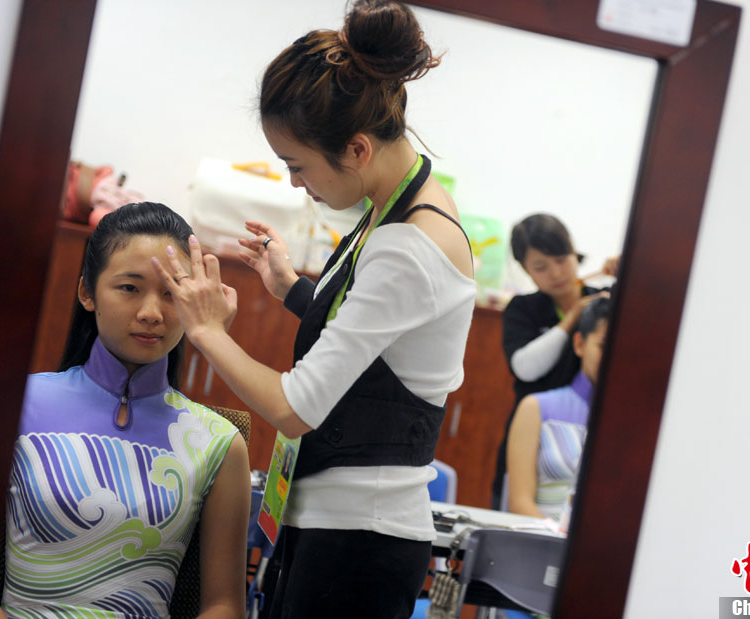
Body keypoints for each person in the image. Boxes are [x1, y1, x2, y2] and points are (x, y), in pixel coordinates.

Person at [150, 2, 476, 617]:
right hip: (342, 527)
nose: (297, 184)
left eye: (297, 166)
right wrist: (293, 290)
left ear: (356, 148)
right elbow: (379, 342)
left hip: (359, 539)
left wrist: (207, 331)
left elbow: (295, 408)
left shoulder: (408, 242)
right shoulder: (398, 208)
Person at [0, 202, 251, 618]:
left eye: (171, 293)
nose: (151, 313)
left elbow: (224, 605)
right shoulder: (13, 404)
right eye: (130, 288)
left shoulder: (219, 443)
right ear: (87, 293)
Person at [490, 213, 612, 508]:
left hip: (588, 439)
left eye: (561, 259)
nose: (556, 273)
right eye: (541, 267)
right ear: (525, 269)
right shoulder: (523, 309)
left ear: (573, 251)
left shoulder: (604, 302)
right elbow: (524, 368)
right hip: (531, 439)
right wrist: (572, 318)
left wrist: (633, 271)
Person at [505, 297, 610, 521]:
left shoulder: (638, 422)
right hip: (542, 537)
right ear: (580, 344)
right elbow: (520, 502)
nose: (613, 356)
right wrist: (559, 537)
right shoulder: (536, 408)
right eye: (603, 346)